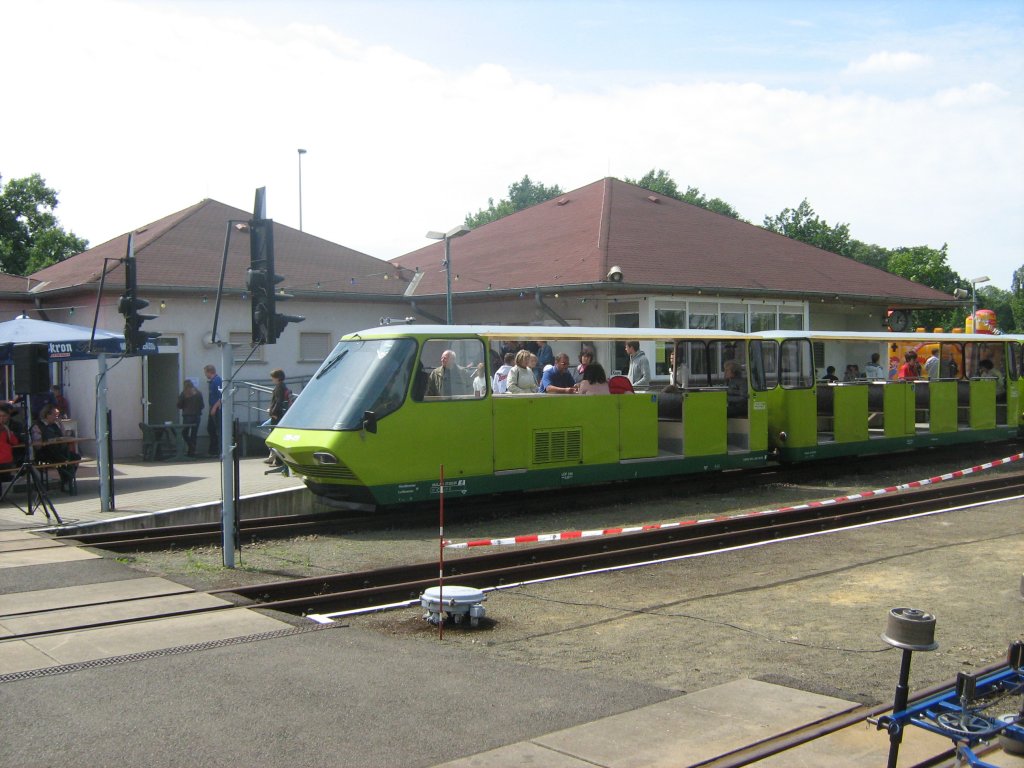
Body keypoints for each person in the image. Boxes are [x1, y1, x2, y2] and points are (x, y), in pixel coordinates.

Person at [31, 404, 80, 493]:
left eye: (57, 415)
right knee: (65, 461)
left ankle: (66, 481)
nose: (56, 417)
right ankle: (67, 482)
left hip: (59, 450)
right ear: (47, 415)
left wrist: (61, 423)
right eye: (55, 415)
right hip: (45, 452)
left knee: (76, 457)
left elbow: (63, 435)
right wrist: (51, 440)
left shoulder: (55, 425)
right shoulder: (37, 426)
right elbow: (37, 444)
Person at [265, 369, 291, 464]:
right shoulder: (283, 386)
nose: (272, 379)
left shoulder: (279, 387)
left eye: (273, 377)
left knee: (274, 437)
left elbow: (278, 401)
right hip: (280, 414)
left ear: (278, 378)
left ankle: (278, 459)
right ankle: (276, 459)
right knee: (276, 437)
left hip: (277, 415)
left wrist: (273, 413)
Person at [176, 378, 204, 458]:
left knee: (184, 433)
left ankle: (190, 446)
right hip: (197, 416)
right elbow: (202, 405)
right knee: (194, 434)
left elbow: (179, 405)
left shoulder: (184, 394)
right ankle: (192, 452)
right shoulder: (199, 393)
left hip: (187, 416)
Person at [204, 364, 222, 457]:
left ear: (209, 372)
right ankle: (213, 450)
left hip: (217, 409)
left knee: (217, 429)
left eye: (205, 372)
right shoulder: (212, 382)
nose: (205, 375)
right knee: (211, 429)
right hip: (213, 408)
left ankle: (218, 450)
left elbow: (221, 397)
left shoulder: (217, 381)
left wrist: (214, 408)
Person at [0, 404, 22, 473]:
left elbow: (15, 441)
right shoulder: (6, 429)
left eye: (4, 416)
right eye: (0, 416)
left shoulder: (7, 429)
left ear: (8, 416)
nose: (1, 418)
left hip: (6, 459)